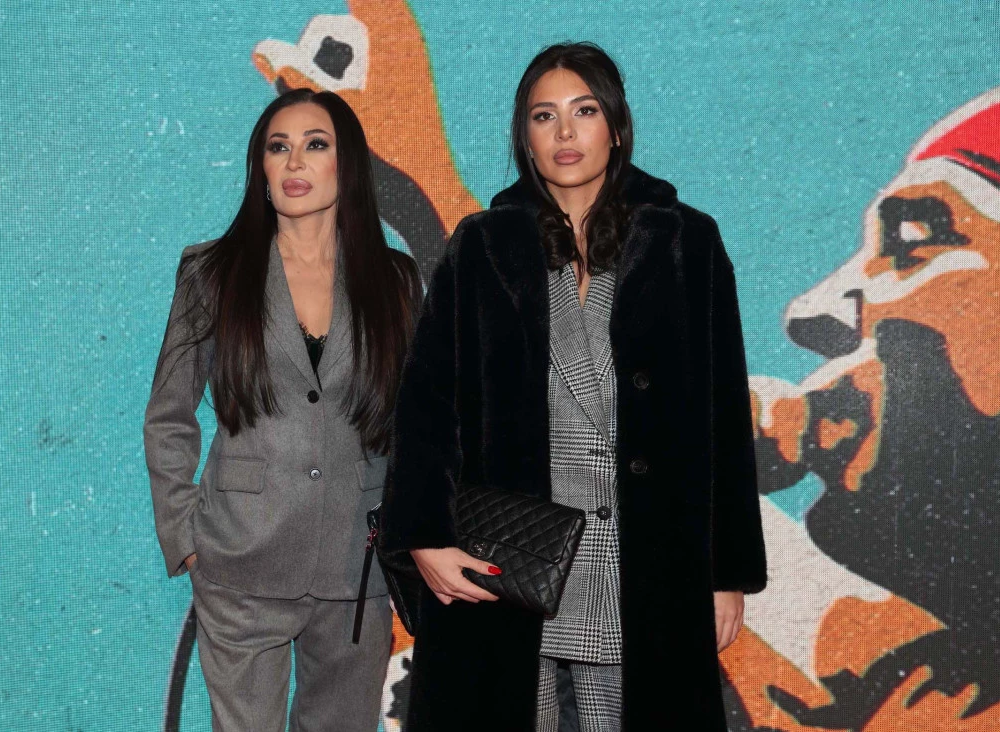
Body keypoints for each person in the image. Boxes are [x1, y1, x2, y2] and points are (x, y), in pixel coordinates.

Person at [378, 43, 767, 731]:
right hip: (508, 561)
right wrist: (424, 537)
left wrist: (726, 574)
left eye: (584, 111)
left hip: (645, 564)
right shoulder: (483, 245)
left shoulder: (686, 242)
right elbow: (427, 409)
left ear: (616, 126)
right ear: (524, 137)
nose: (564, 131)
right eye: (543, 115)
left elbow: (725, 418)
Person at [144, 88, 421, 732]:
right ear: (261, 168)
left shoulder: (398, 282)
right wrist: (186, 537)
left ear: (347, 165)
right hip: (238, 560)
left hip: (358, 568)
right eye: (278, 147)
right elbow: (169, 415)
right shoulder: (212, 274)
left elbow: (418, 424)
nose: (295, 161)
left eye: (315, 144)